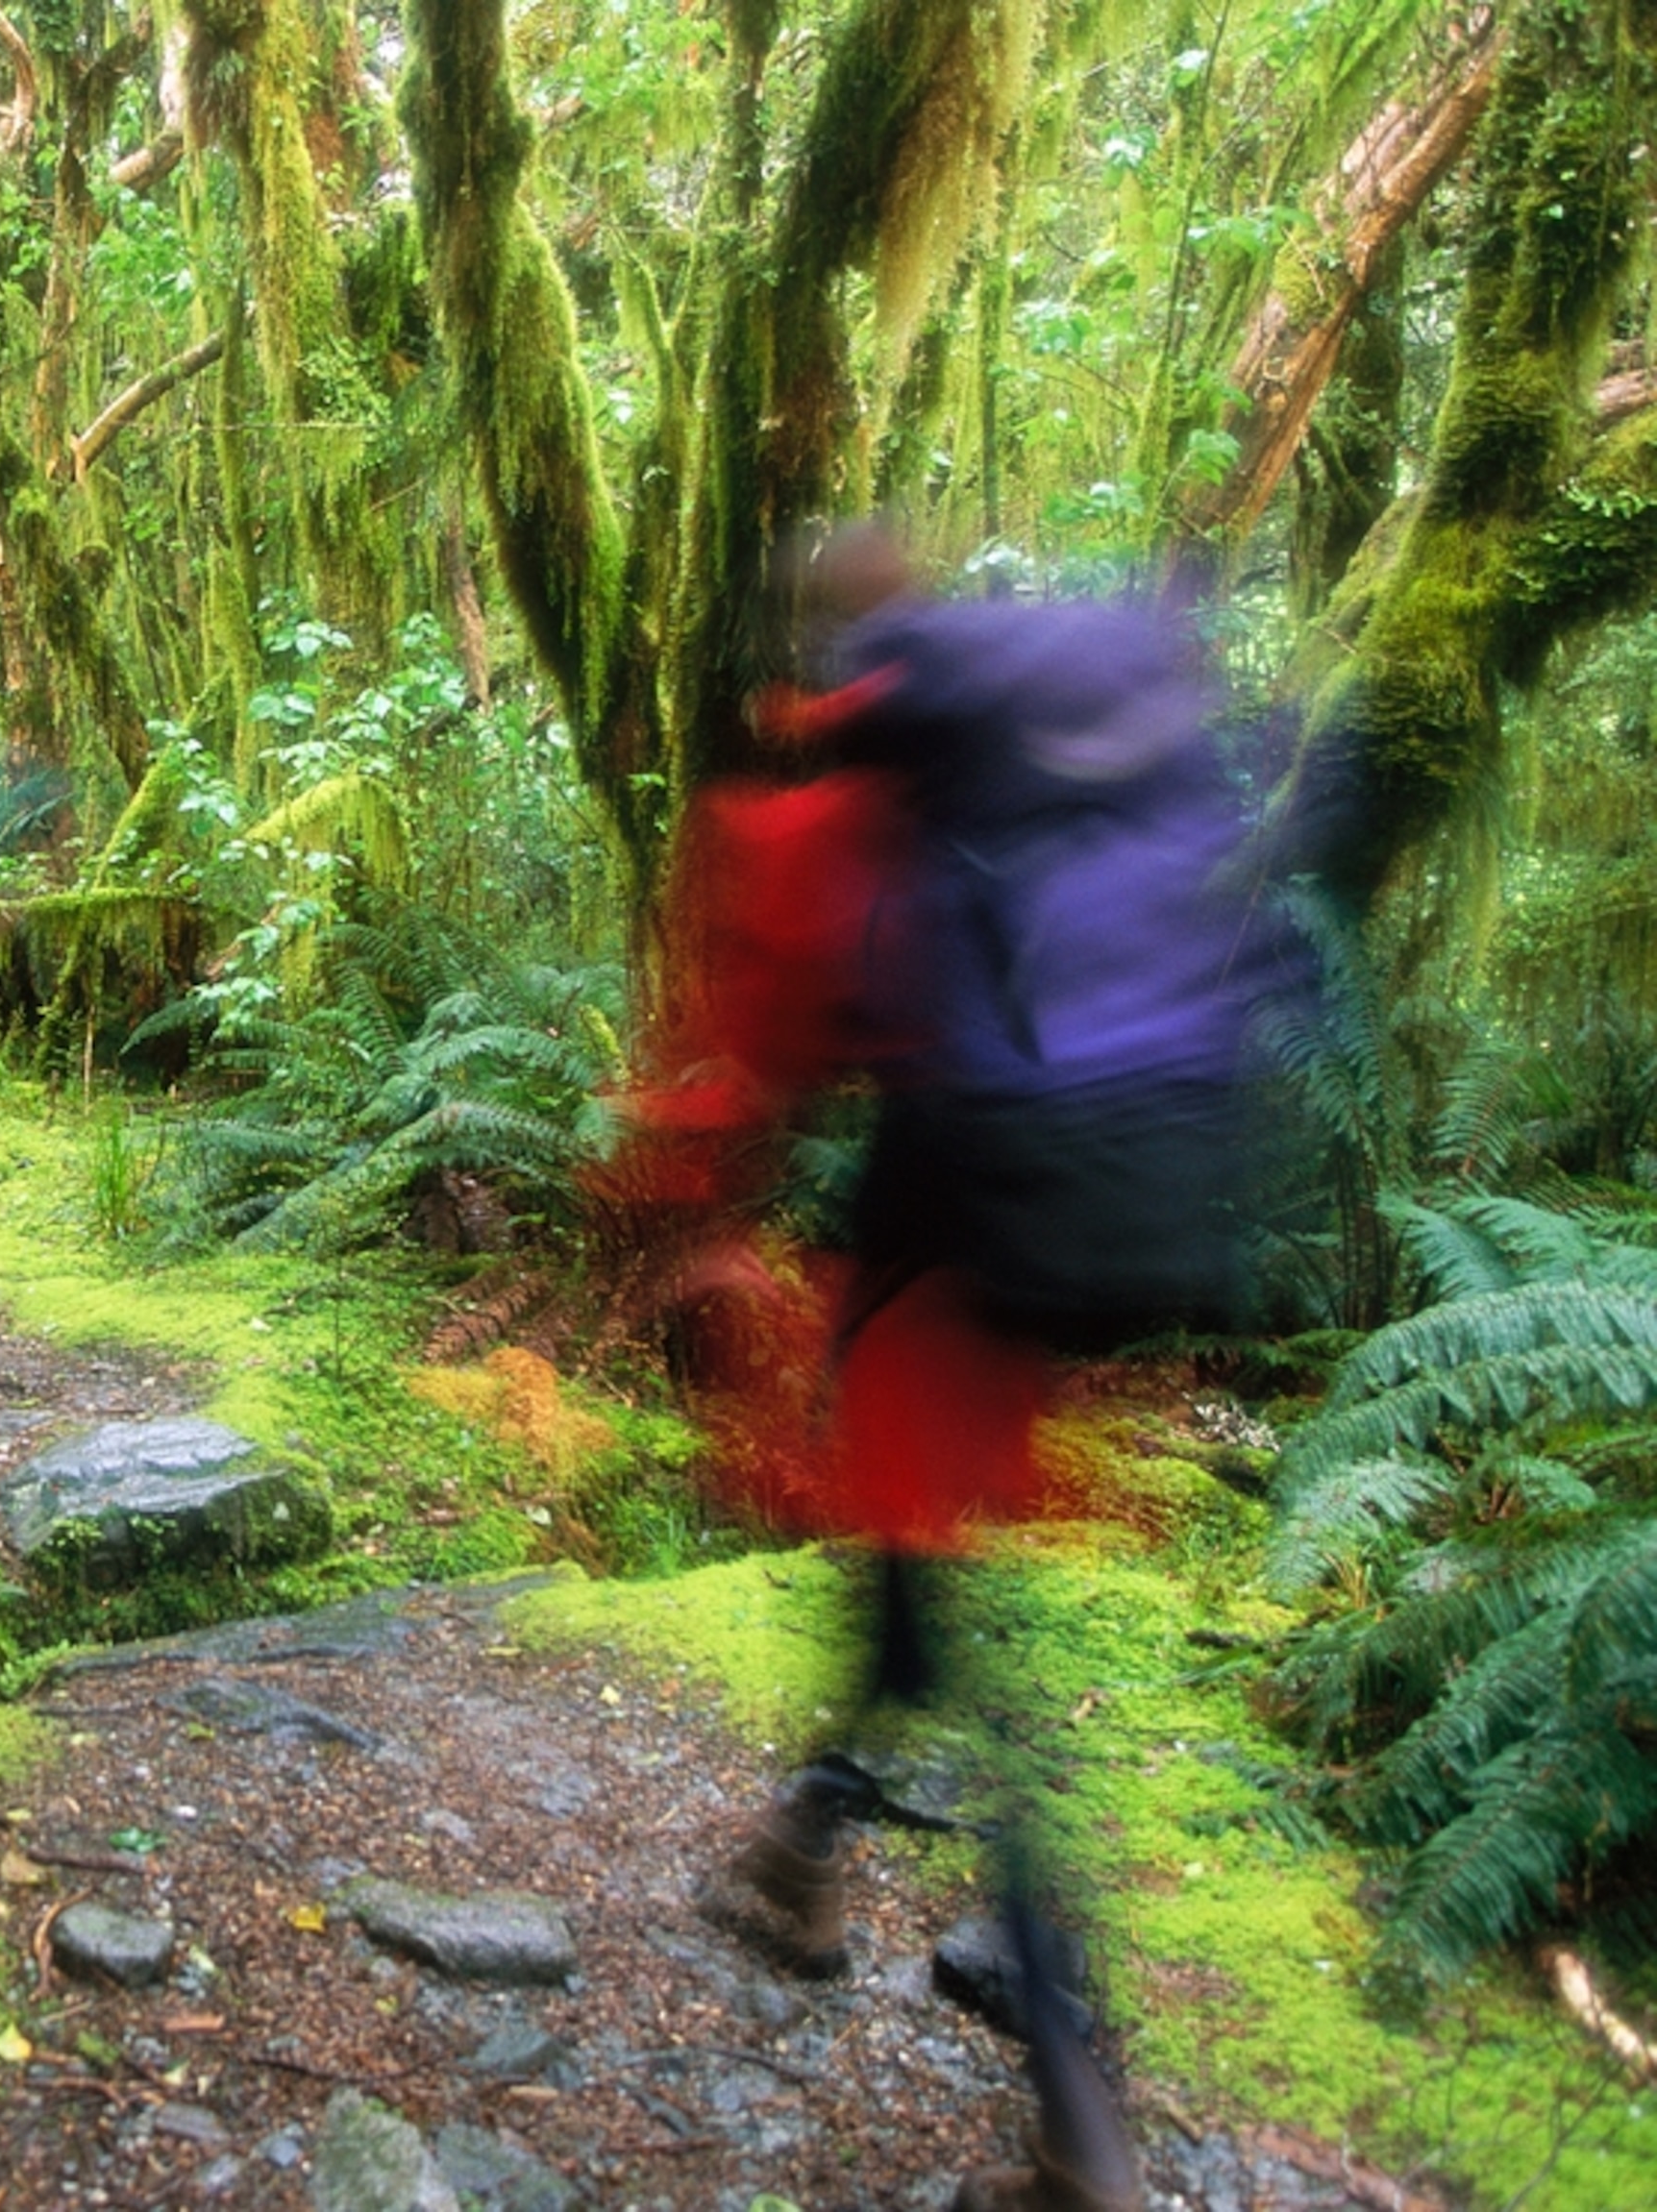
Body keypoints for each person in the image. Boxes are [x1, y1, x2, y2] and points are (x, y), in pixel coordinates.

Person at [615, 533, 1282, 2212]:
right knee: (911, 1575)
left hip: (941, 1216)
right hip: (1080, 1213)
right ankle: (798, 1853)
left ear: (821, 657)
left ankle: (1078, 2117)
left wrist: (673, 1192)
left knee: (952, 1632)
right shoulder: (1069, 775)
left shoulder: (848, 797)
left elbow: (762, 1048)